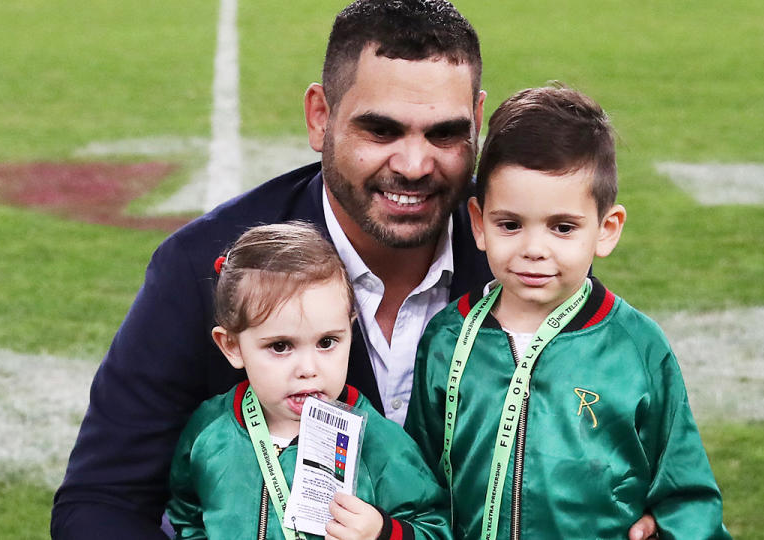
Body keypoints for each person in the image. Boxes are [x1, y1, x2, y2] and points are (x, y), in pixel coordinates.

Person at [51, 1, 657, 538]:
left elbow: (627, 458)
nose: (415, 164)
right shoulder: (203, 268)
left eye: (445, 134)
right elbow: (99, 502)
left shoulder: (527, 257)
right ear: (320, 117)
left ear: (476, 122)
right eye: (381, 129)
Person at [404, 85, 731, 539]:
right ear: (479, 223)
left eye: (562, 228)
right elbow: (419, 489)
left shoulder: (637, 347)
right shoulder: (446, 339)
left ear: (606, 229)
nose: (534, 250)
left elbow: (688, 494)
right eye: (510, 224)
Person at [167, 222, 451, 540]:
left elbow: (435, 527)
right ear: (232, 346)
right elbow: (186, 512)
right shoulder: (209, 430)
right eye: (280, 346)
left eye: (327, 342)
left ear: (350, 329)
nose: (308, 368)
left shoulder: (376, 441)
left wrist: (382, 533)